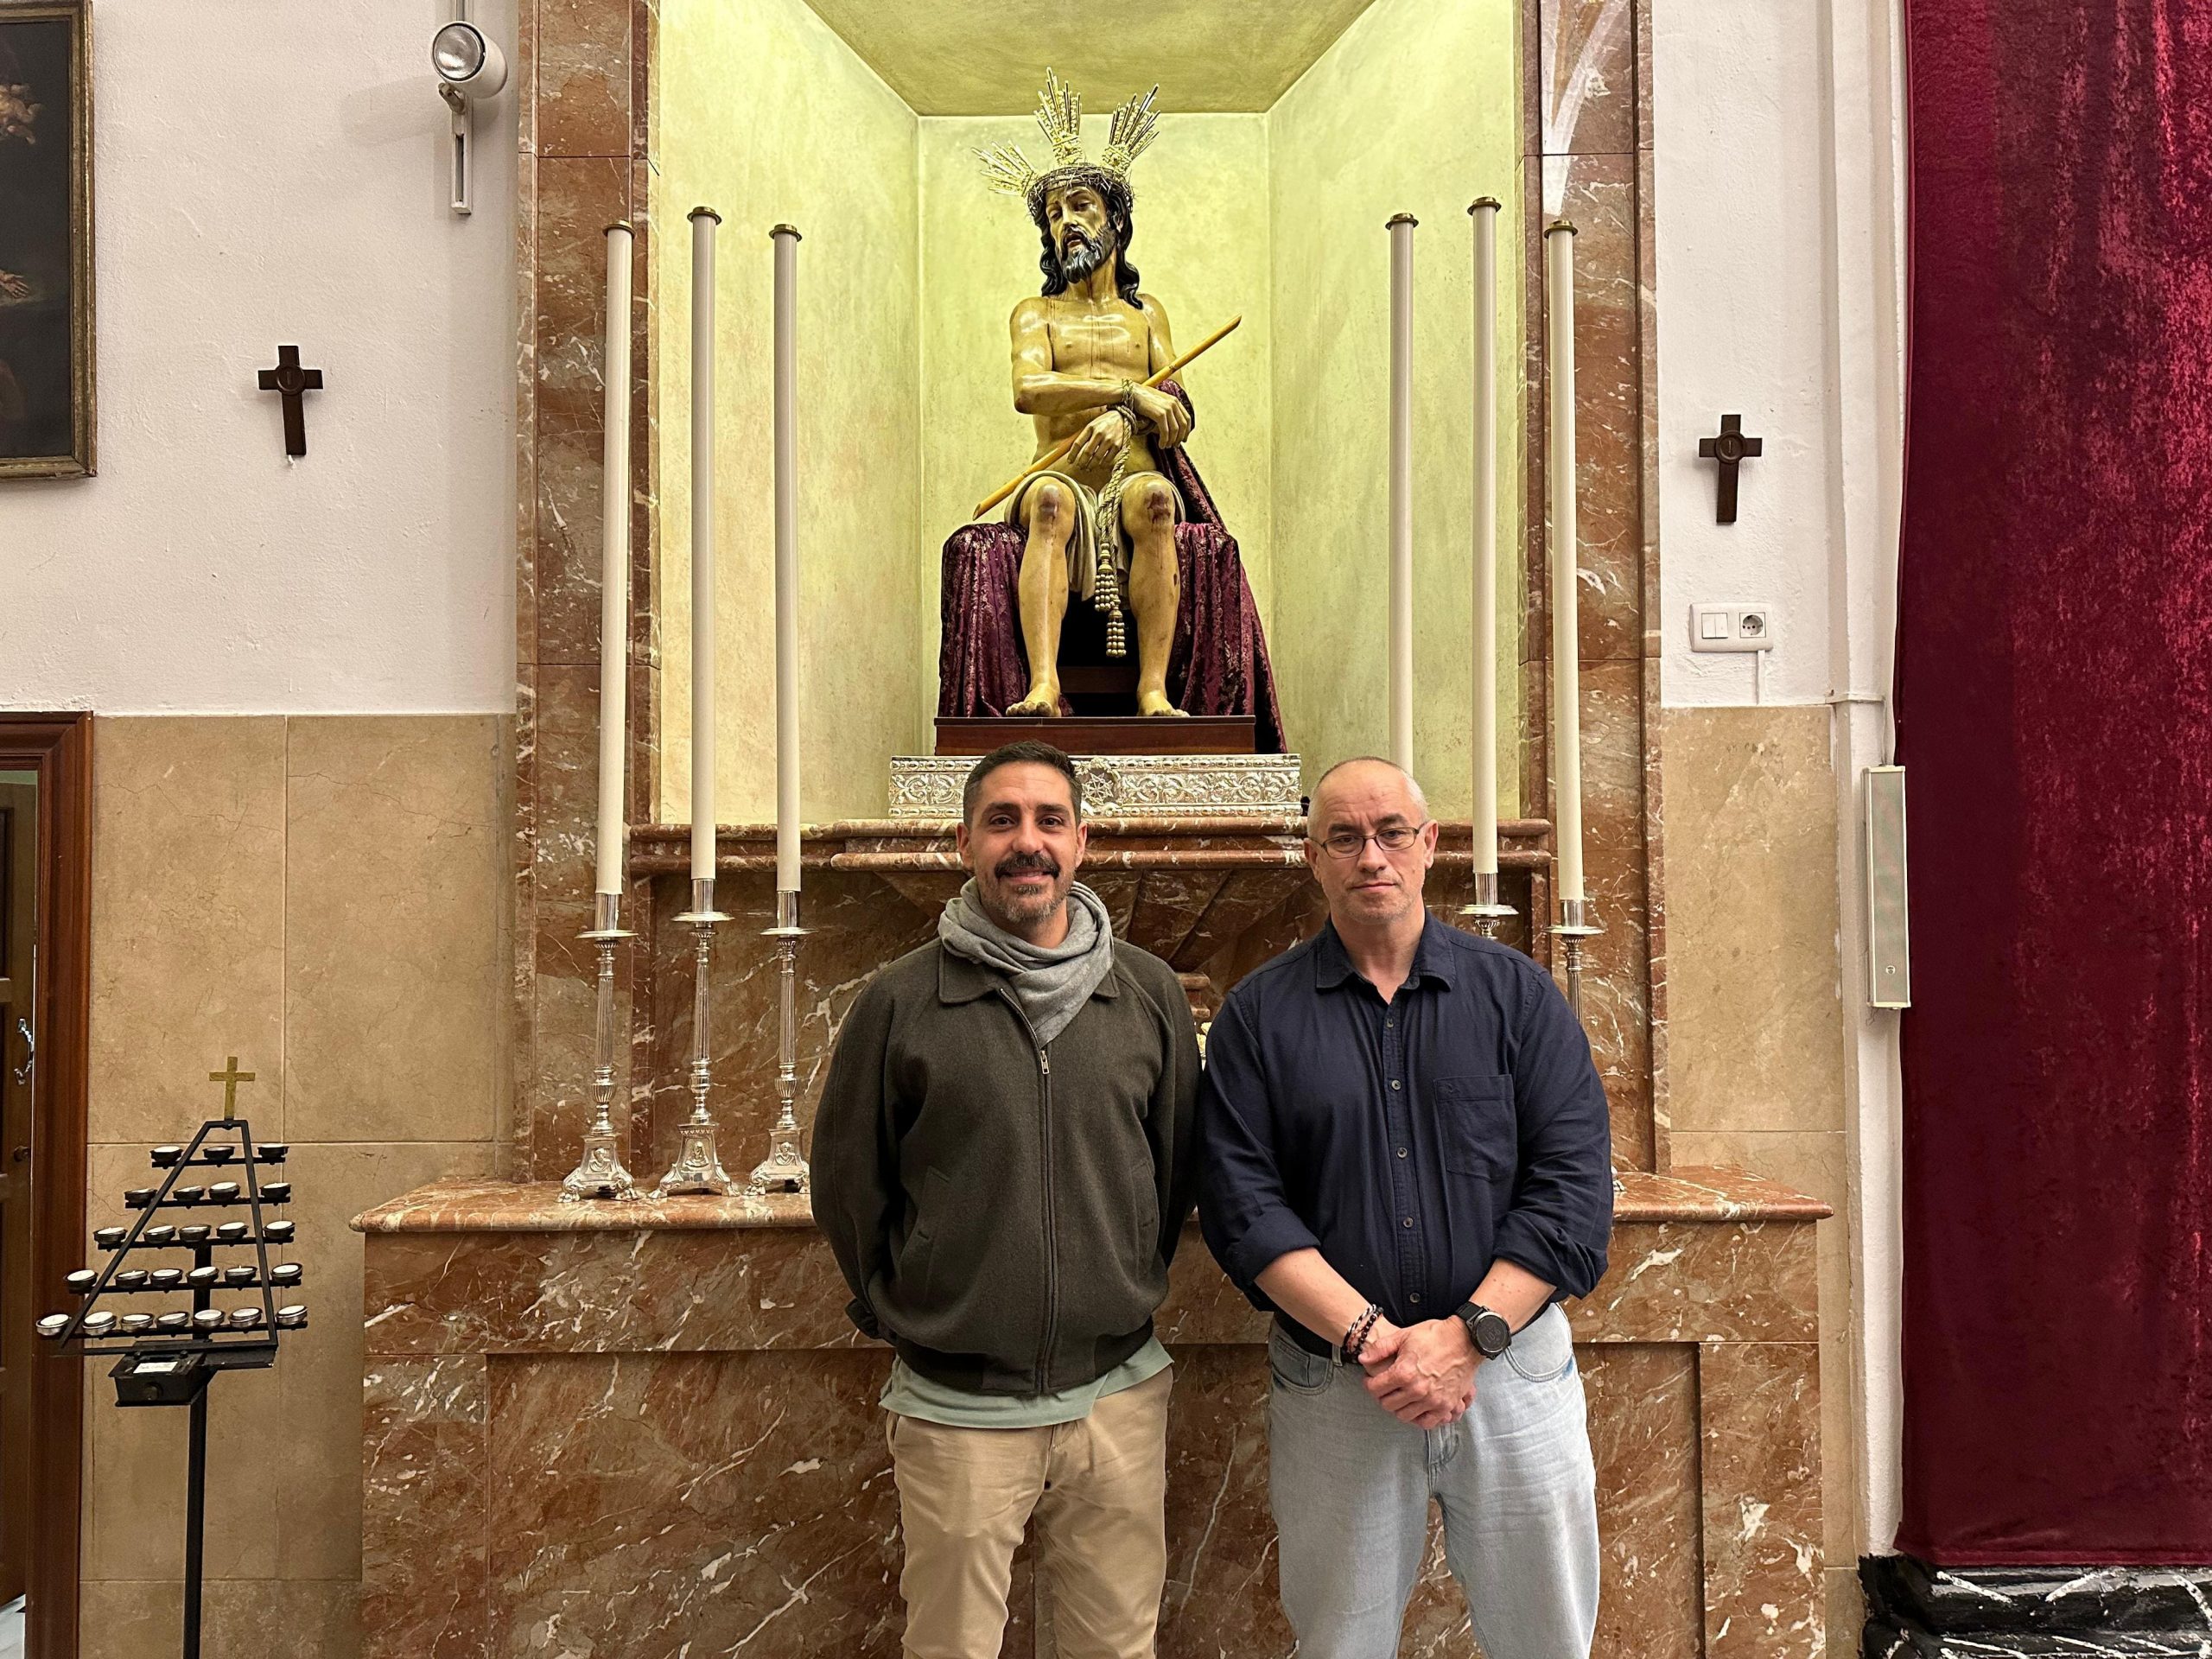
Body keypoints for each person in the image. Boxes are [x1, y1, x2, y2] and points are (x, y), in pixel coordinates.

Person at [1197, 756, 1614, 1658]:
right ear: (1313, 857)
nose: (1371, 857)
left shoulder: (1517, 997)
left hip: (1511, 1377)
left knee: (1546, 1641)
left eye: (1391, 833)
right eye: (1344, 838)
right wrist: (1373, 1341)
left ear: (1429, 846)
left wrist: (1467, 1338)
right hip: (1338, 1390)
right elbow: (1243, 1206)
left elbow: (1573, 1187)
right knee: (1339, 1643)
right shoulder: (1256, 1017)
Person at [813, 739, 1201, 1659]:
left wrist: (1116, 1284)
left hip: (1116, 1399)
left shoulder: (1146, 992)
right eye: (1002, 821)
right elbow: (850, 1185)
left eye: (1049, 820)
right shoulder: (901, 1002)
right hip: (957, 1409)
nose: (1027, 842)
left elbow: (1176, 1165)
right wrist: (913, 1309)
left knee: (1116, 1648)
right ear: (964, 843)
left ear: (1081, 843)